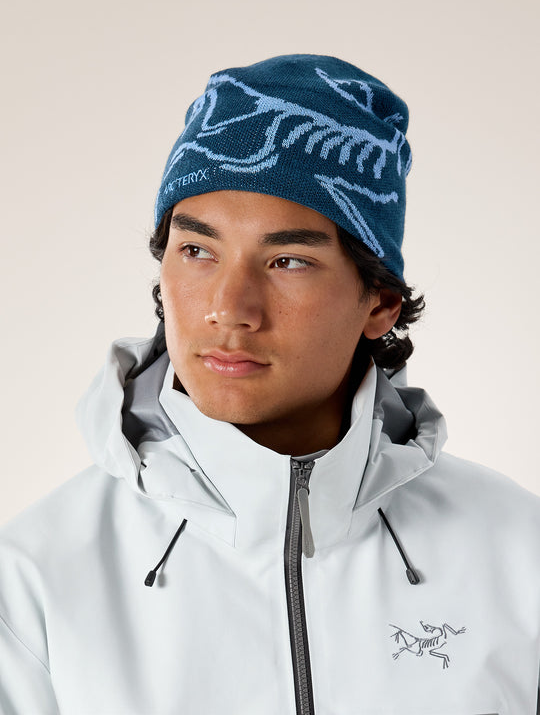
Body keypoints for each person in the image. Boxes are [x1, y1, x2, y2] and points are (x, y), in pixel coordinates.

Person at [1, 53, 539, 715]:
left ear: (380, 302)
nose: (229, 308)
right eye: (197, 250)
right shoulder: (33, 580)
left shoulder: (519, 554)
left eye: (288, 260)